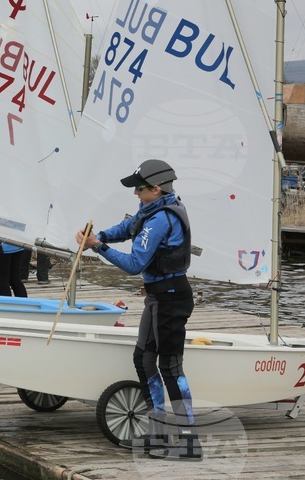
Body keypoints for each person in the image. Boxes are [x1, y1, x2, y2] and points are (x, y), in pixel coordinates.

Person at [75, 159, 199, 461]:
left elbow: (134, 264)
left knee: (171, 369)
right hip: (157, 298)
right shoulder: (151, 209)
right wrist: (101, 235)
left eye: (139, 189)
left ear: (156, 189)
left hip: (172, 299)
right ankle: (158, 432)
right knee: (143, 360)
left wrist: (97, 247)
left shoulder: (161, 220)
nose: (135, 194)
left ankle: (188, 440)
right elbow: (128, 227)